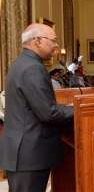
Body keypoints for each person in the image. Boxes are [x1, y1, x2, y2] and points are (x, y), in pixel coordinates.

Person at [0, 23, 74, 192]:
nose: (56, 45)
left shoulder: (21, 62)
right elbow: (48, 113)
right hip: (29, 152)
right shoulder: (33, 68)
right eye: (53, 40)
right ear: (38, 41)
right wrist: (79, 109)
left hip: (22, 150)